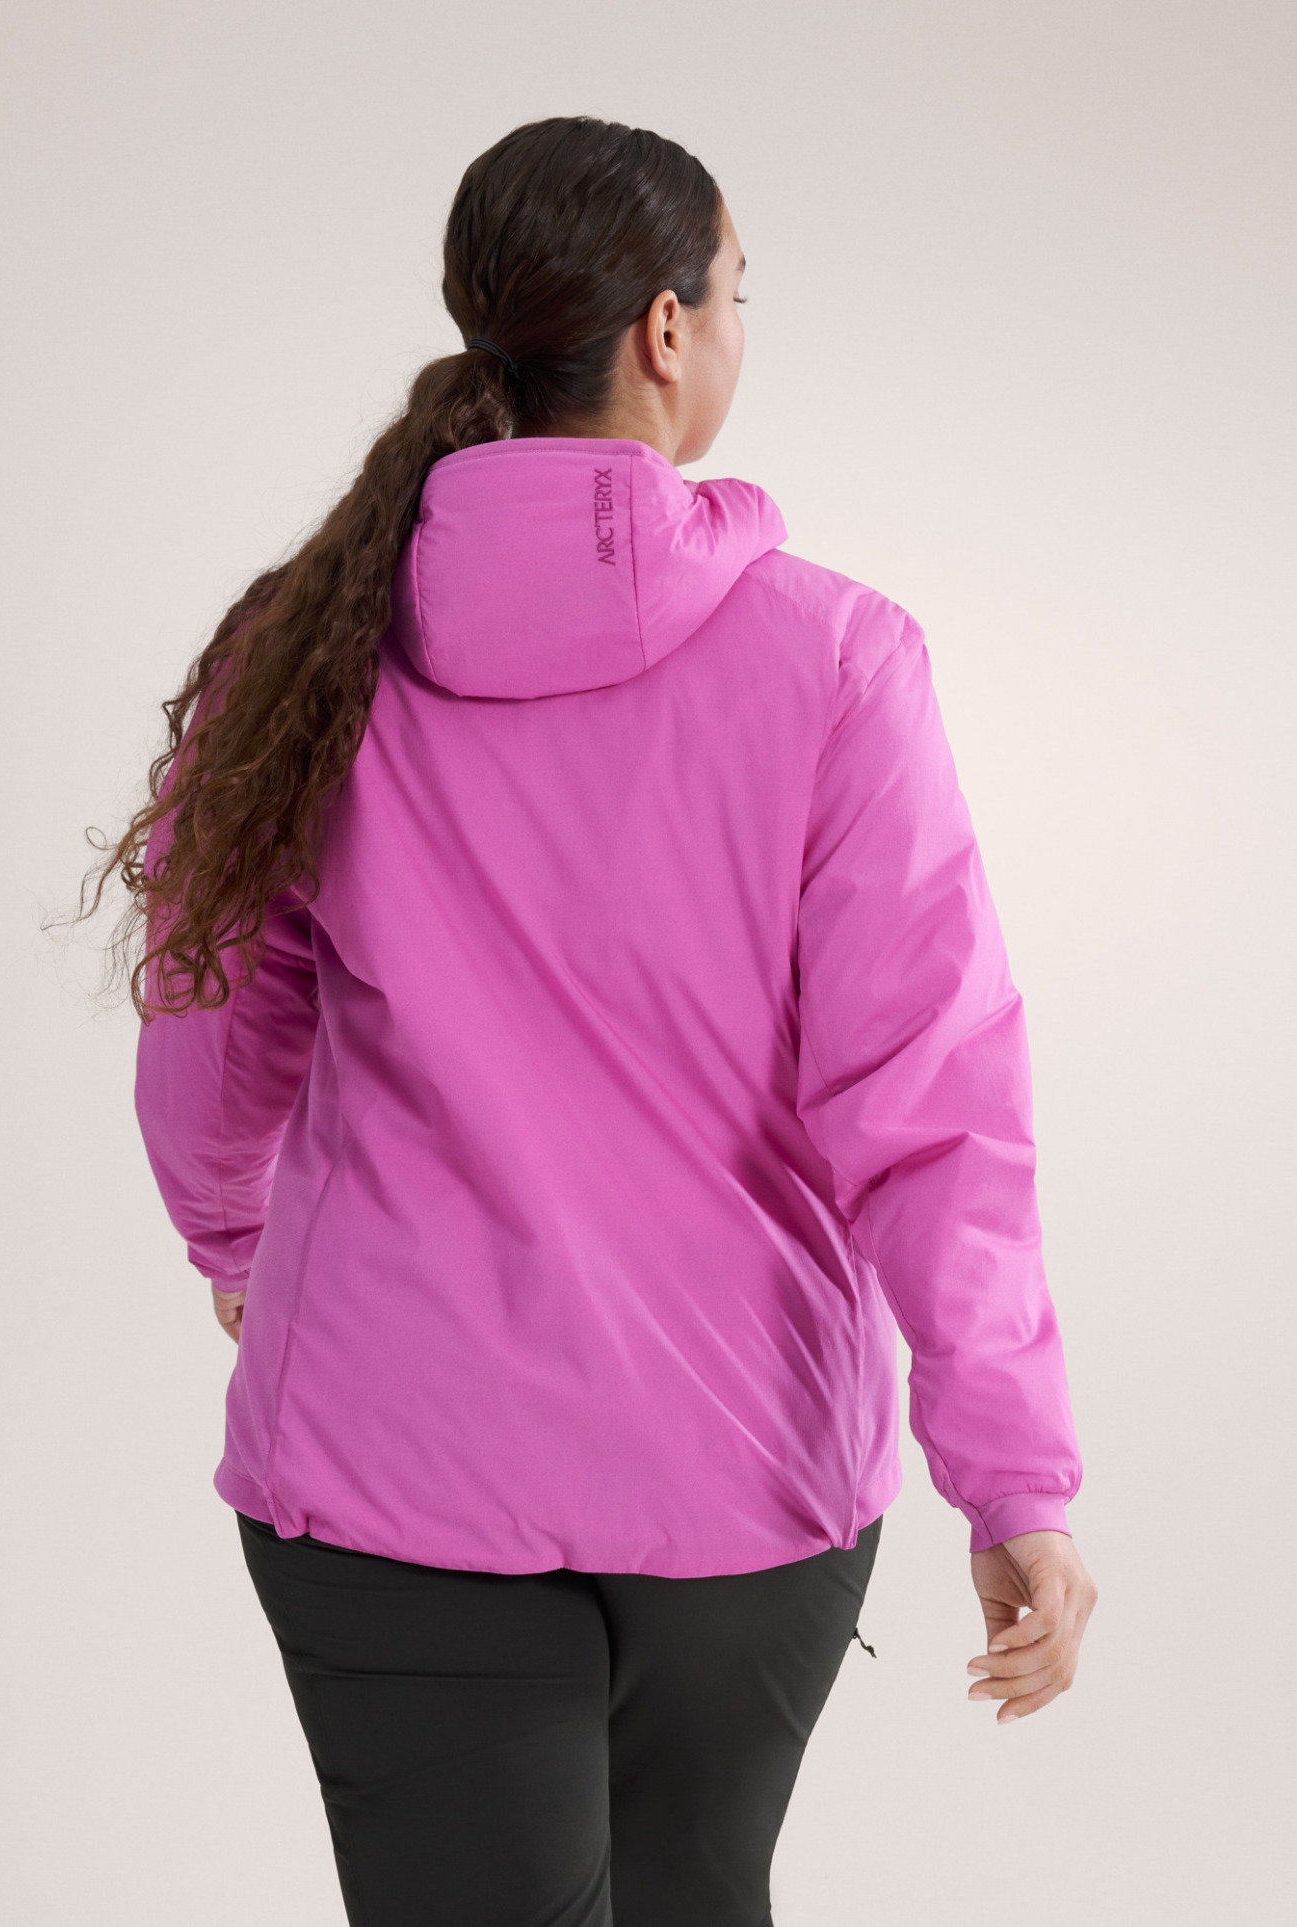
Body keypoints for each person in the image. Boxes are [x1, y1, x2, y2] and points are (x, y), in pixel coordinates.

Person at [99, 116, 1096, 1927]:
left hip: (389, 1457)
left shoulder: (303, 646)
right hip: (742, 1466)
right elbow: (929, 1102)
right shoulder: (836, 658)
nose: (737, 332)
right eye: (739, 294)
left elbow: (213, 1012)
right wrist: (1008, 1474)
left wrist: (232, 1237)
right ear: (663, 328)